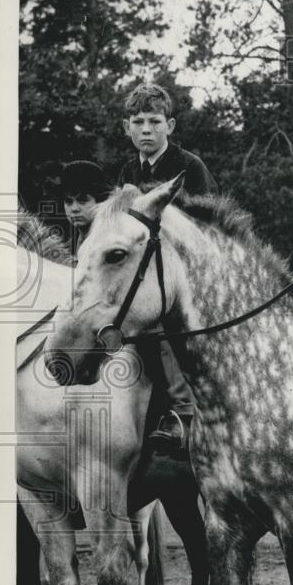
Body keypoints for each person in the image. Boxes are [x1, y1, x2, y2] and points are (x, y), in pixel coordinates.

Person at [60, 159, 194, 455]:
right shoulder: (77, 237)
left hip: (137, 307)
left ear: (102, 200)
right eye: (68, 201)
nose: (74, 209)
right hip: (105, 311)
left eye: (82, 200)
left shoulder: (113, 229)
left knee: (155, 339)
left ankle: (181, 410)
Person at [118, 83, 217, 196]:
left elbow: (207, 207)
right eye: (138, 122)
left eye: (155, 122)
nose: (146, 130)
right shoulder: (127, 171)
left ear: (169, 126)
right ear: (127, 128)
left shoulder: (191, 167)